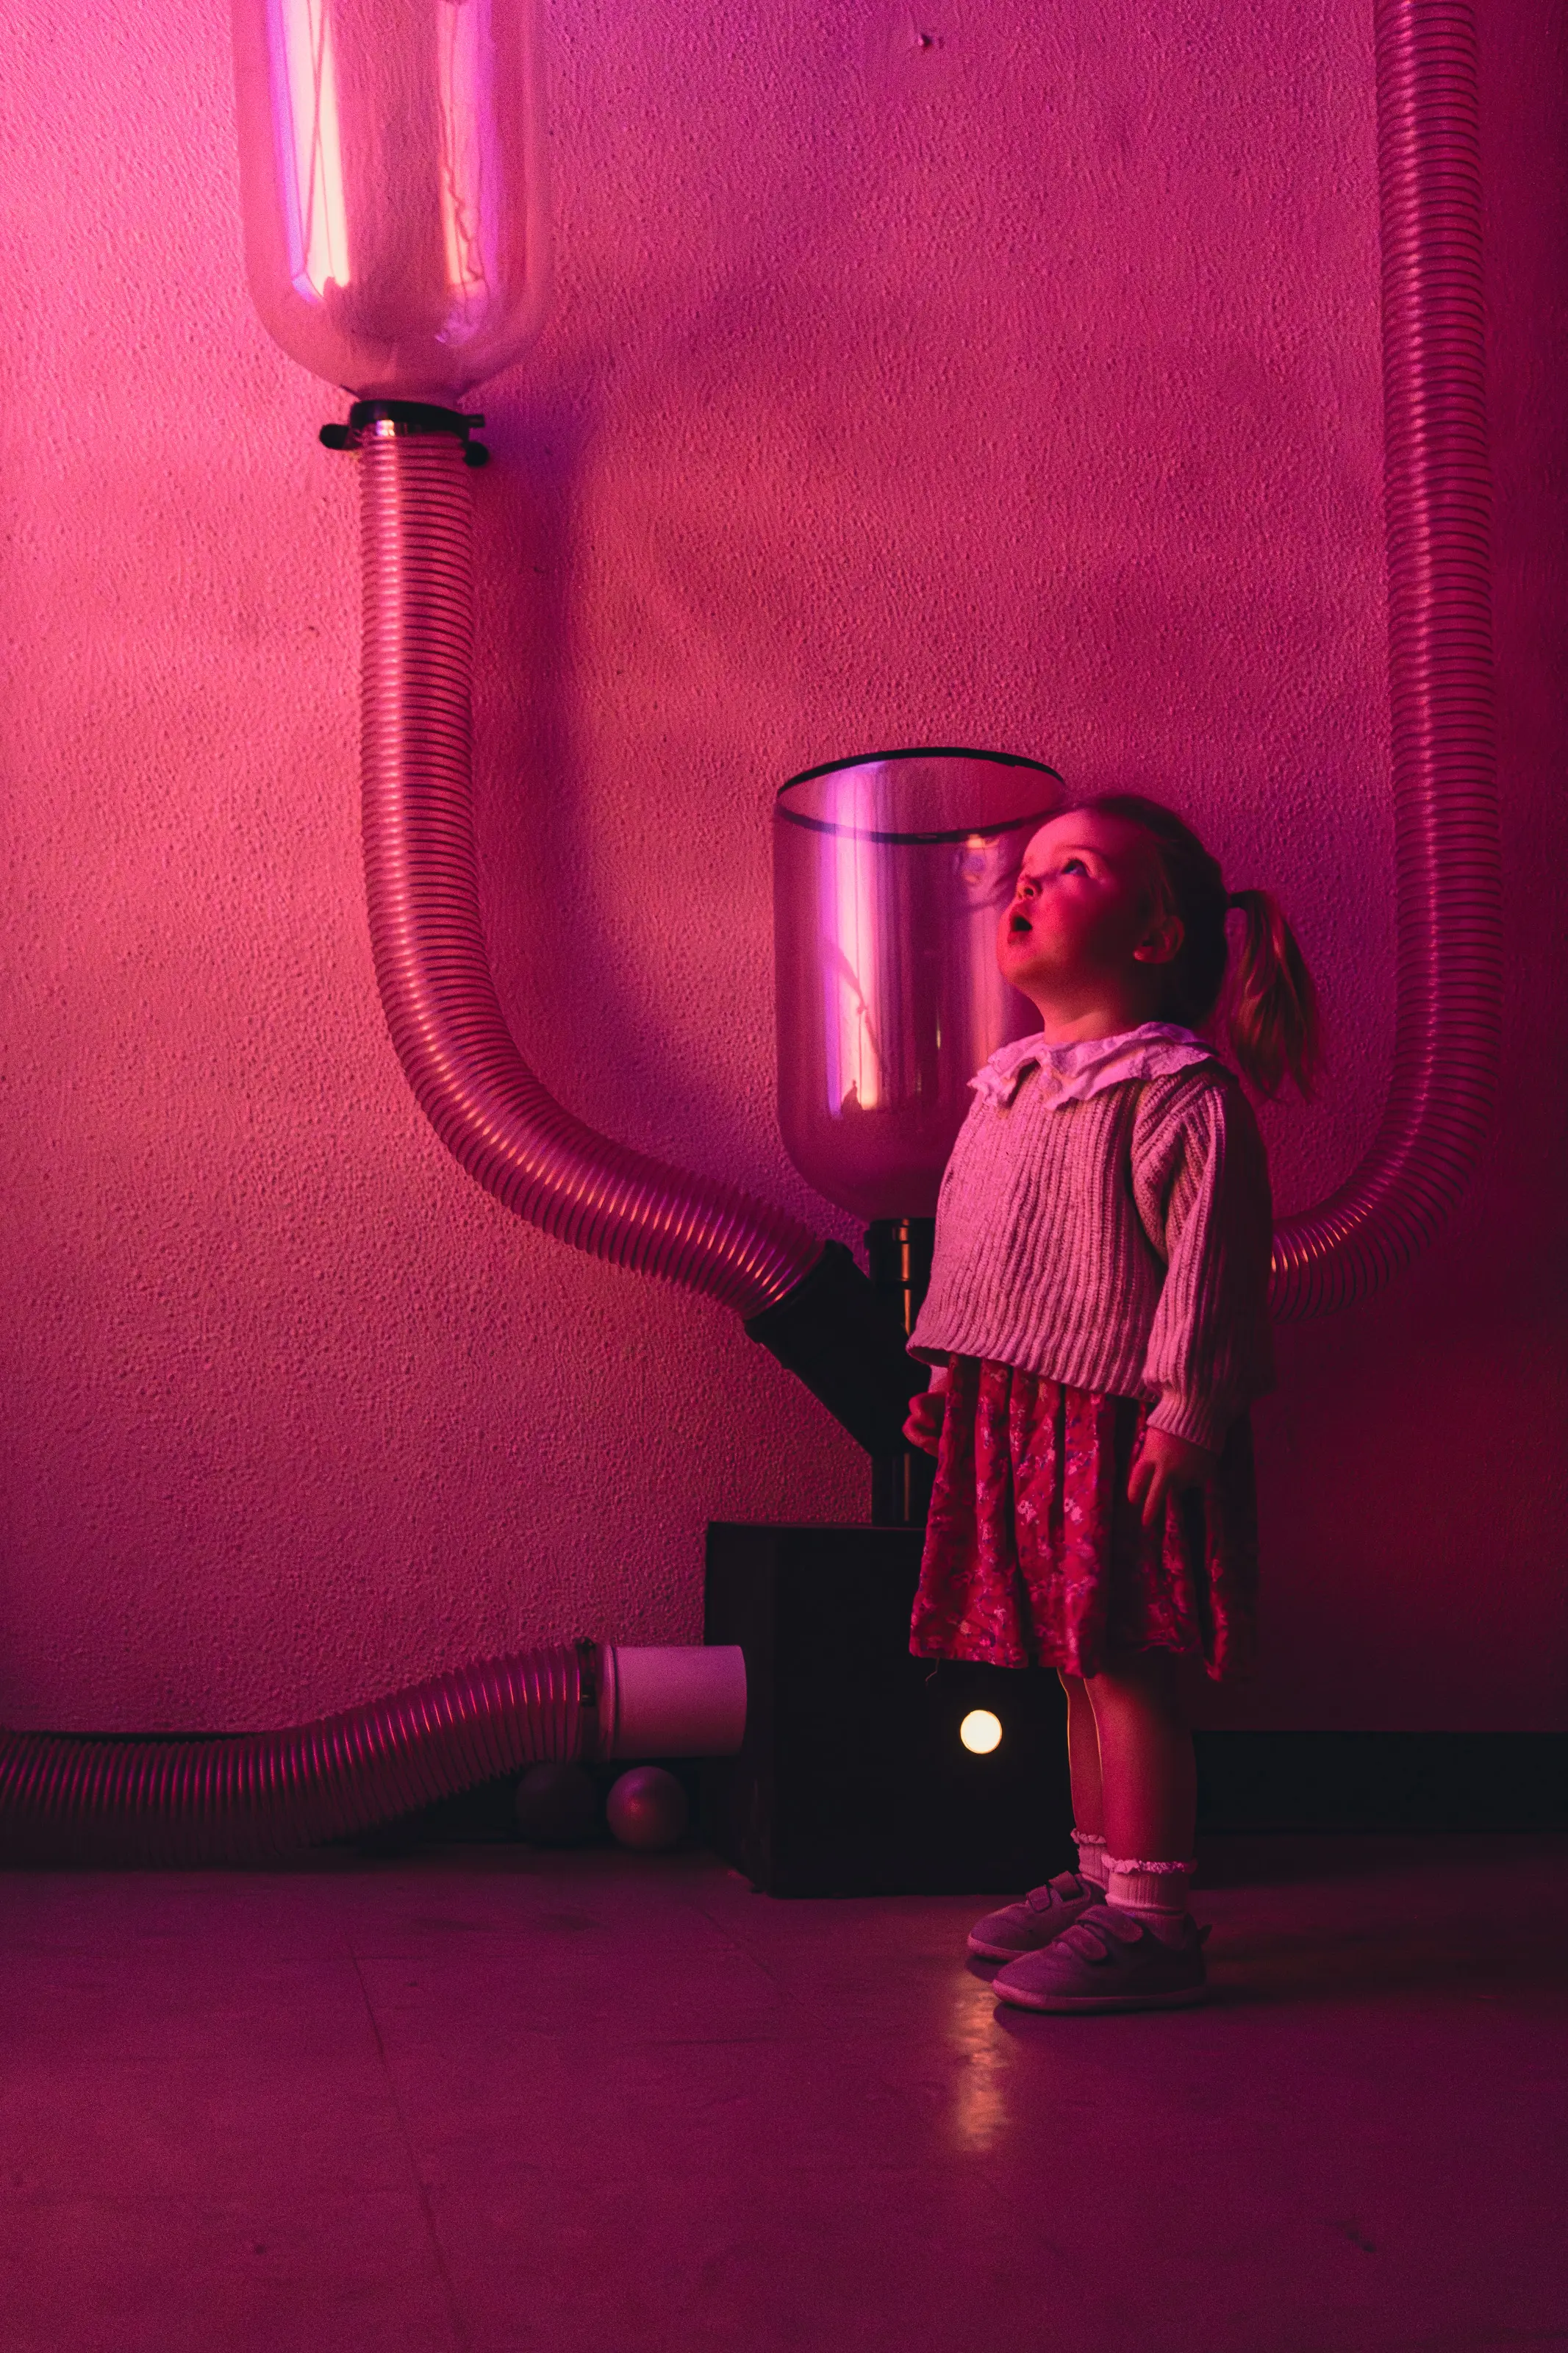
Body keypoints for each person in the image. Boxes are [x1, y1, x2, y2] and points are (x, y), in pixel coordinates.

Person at [903, 792, 1319, 2013]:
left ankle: (1154, 1922)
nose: (1026, 889)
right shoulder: (1012, 1086)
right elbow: (980, 1249)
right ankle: (1101, 1879)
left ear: (1154, 935)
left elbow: (1211, 1267)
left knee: (1128, 1666)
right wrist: (947, 1376)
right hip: (1021, 1409)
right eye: (1024, 873)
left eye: (1070, 869)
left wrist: (1192, 1407)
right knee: (1074, 1668)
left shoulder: (1180, 1094)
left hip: (1124, 1424)